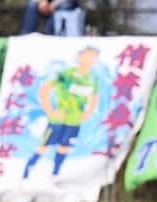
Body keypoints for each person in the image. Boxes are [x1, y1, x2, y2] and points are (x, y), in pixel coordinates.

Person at [23, 46, 101, 181]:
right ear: (80, 56)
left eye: (93, 56)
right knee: (44, 146)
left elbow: (94, 97)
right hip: (58, 120)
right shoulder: (67, 74)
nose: (90, 59)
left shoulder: (93, 79)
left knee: (64, 147)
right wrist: (49, 110)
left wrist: (88, 112)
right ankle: (26, 173)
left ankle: (55, 175)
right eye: (88, 55)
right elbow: (45, 89)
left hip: (74, 121)